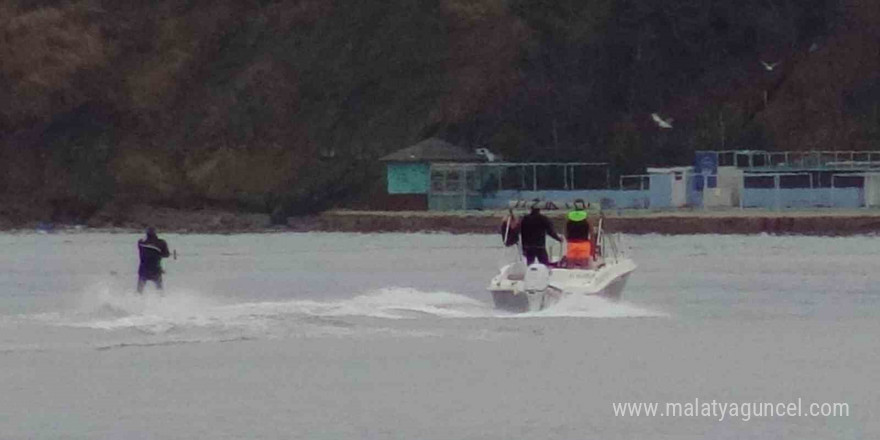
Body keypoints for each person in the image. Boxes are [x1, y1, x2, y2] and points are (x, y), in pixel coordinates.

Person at [518, 200, 562, 265]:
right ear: (539, 209)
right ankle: (545, 273)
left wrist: (524, 248)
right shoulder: (543, 219)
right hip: (539, 246)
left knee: (530, 264)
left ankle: (530, 274)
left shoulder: (525, 219)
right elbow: (550, 232)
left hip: (528, 246)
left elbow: (522, 234)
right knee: (544, 264)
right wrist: (558, 239)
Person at [137, 227, 170, 293]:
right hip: (156, 269)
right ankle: (162, 300)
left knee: (139, 291)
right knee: (160, 290)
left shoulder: (141, 242)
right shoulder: (161, 243)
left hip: (143, 269)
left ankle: (135, 300)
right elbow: (166, 254)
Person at [564, 199, 593, 266]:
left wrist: (567, 240)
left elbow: (565, 231)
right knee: (584, 264)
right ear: (583, 206)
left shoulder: (569, 216)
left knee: (570, 263)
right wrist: (592, 245)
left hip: (571, 243)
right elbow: (591, 232)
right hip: (584, 243)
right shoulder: (586, 216)